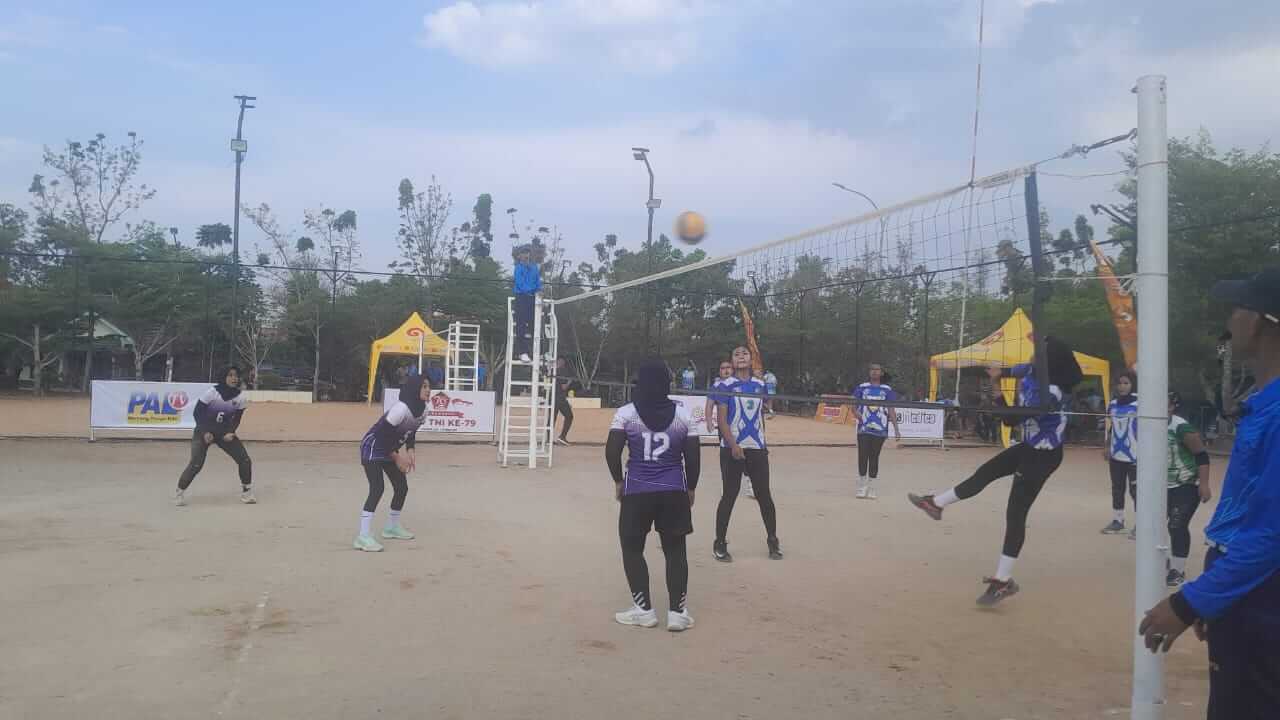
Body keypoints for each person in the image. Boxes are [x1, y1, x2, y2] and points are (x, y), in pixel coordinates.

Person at [1139, 268, 1280, 718]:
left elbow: (1271, 533)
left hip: (1263, 597)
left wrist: (1190, 601)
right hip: (1245, 591)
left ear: (1259, 320)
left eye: (1237, 308)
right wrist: (1219, 595)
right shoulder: (1264, 402)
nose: (1230, 321)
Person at [907, 334, 1083, 606]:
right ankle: (936, 504)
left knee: (1015, 514)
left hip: (1043, 455)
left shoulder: (1051, 392)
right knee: (985, 473)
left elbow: (1010, 420)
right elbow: (999, 371)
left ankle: (1003, 582)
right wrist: (951, 366)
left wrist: (997, 391)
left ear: (1050, 361)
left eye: (1039, 351)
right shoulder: (1032, 369)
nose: (1033, 353)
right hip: (1029, 446)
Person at [607, 360, 701, 632]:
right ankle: (677, 613)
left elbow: (612, 452)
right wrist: (691, 487)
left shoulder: (626, 413)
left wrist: (618, 481)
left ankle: (643, 610)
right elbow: (693, 458)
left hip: (637, 489)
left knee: (632, 548)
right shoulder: (684, 416)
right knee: (675, 551)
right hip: (674, 491)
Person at [713, 346, 781, 562]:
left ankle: (772, 540)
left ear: (752, 359)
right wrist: (732, 444)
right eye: (736, 354)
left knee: (764, 496)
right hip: (732, 448)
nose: (741, 356)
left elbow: (762, 415)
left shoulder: (760, 385)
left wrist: (763, 443)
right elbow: (722, 420)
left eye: (745, 353)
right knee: (729, 495)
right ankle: (720, 543)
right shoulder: (725, 385)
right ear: (731, 361)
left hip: (757, 448)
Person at [354, 375, 429, 552]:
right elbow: (381, 436)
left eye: (428, 386)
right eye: (424, 386)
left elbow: (411, 431)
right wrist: (397, 457)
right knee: (377, 488)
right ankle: (363, 537)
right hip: (373, 447)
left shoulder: (424, 410)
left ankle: (391, 527)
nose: (428, 390)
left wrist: (410, 451)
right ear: (414, 388)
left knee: (401, 487)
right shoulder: (400, 409)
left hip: (389, 449)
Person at [175, 366, 254, 506]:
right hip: (204, 432)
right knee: (196, 464)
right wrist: (205, 432)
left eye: (236, 376)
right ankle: (179, 492)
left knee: (245, 460)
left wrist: (231, 432)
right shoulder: (212, 392)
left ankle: (246, 493)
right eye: (230, 375)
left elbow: (237, 419)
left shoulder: (240, 397)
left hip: (224, 433)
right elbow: (197, 413)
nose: (234, 378)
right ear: (224, 377)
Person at [1158, 391, 1214, 586]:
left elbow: (1202, 456)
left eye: (1162, 403)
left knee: (1177, 525)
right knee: (1153, 525)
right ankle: (1163, 558)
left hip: (1187, 483)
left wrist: (1205, 485)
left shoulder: (1182, 428)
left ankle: (1178, 570)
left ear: (1172, 407)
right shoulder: (1148, 424)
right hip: (1161, 484)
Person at [851, 363, 903, 499]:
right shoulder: (862, 387)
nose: (874, 372)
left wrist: (896, 429)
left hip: (880, 429)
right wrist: (855, 412)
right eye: (872, 369)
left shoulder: (887, 390)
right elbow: (853, 403)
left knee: (874, 457)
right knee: (862, 456)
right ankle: (862, 486)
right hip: (864, 428)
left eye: (877, 370)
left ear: (881, 373)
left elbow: (891, 409)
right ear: (869, 372)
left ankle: (872, 487)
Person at [1100, 372, 1138, 534]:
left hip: (1136, 454)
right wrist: (1107, 446)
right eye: (1119, 383)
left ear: (1133, 384)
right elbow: (1112, 426)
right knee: (1117, 488)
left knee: (1136, 490)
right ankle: (1118, 520)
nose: (1122, 386)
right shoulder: (1113, 404)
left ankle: (1140, 524)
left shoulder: (1141, 403)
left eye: (1126, 383)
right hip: (1116, 454)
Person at [512, 245, 543, 363]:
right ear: (519, 256)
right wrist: (532, 290)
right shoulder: (518, 268)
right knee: (521, 325)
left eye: (527, 253)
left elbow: (538, 282)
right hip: (521, 298)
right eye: (523, 253)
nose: (526, 255)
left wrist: (539, 290)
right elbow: (520, 284)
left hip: (532, 299)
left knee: (533, 324)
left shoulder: (534, 267)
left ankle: (536, 352)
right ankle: (522, 352)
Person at [553, 357, 574, 447]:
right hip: (560, 398)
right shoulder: (562, 371)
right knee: (569, 416)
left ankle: (547, 439)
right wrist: (569, 381)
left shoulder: (553, 371)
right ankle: (562, 437)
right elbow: (563, 387)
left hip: (553, 397)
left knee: (552, 419)